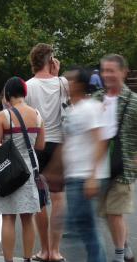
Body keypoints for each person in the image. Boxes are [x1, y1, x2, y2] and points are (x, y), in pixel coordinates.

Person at [0, 77, 45, 262]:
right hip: (29, 169)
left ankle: (8, 260)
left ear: (7, 95)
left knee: (8, 218)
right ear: (24, 93)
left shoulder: (3, 116)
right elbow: (41, 145)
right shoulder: (37, 115)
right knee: (28, 218)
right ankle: (28, 258)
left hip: (9, 171)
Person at [93, 54, 137, 262]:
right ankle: (125, 244)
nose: (107, 75)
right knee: (107, 213)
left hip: (124, 166)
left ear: (123, 72)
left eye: (111, 70)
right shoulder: (96, 98)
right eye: (104, 70)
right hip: (99, 166)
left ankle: (119, 256)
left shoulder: (134, 101)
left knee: (114, 212)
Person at [25, 43, 66, 262]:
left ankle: (44, 250)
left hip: (36, 146)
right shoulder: (63, 83)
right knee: (59, 198)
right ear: (51, 61)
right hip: (59, 145)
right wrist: (57, 76)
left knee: (40, 200)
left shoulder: (28, 86)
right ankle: (56, 251)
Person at [62, 67, 107, 262]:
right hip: (74, 177)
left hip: (85, 177)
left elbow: (100, 141)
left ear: (79, 84)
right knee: (80, 228)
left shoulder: (91, 108)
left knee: (84, 229)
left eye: (69, 80)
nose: (66, 84)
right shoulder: (73, 109)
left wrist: (92, 176)